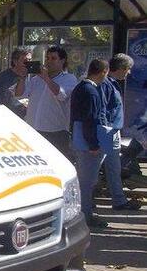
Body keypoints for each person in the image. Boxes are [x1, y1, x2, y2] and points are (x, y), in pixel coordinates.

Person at [18, 45, 78, 159]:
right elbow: (20, 94)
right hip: (34, 129)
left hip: (55, 132)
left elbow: (61, 95)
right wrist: (22, 77)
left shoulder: (69, 78)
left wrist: (46, 78)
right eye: (47, 58)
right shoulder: (35, 80)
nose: (49, 61)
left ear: (62, 60)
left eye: (53, 58)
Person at [70, 58, 110, 228]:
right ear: (103, 72)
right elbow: (90, 119)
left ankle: (84, 212)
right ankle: (85, 215)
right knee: (87, 181)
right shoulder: (91, 91)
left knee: (83, 178)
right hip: (87, 142)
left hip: (79, 138)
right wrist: (93, 144)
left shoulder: (81, 87)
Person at [99, 53, 141, 211]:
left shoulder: (113, 84)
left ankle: (118, 200)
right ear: (122, 68)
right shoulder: (106, 84)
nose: (129, 73)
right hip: (107, 132)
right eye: (128, 69)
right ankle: (87, 202)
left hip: (113, 132)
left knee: (113, 167)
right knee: (97, 168)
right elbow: (102, 110)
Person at [0, 47, 31, 118]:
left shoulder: (33, 77)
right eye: (25, 61)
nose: (28, 64)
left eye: (30, 60)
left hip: (27, 118)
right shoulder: (2, 77)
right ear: (15, 61)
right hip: (6, 117)